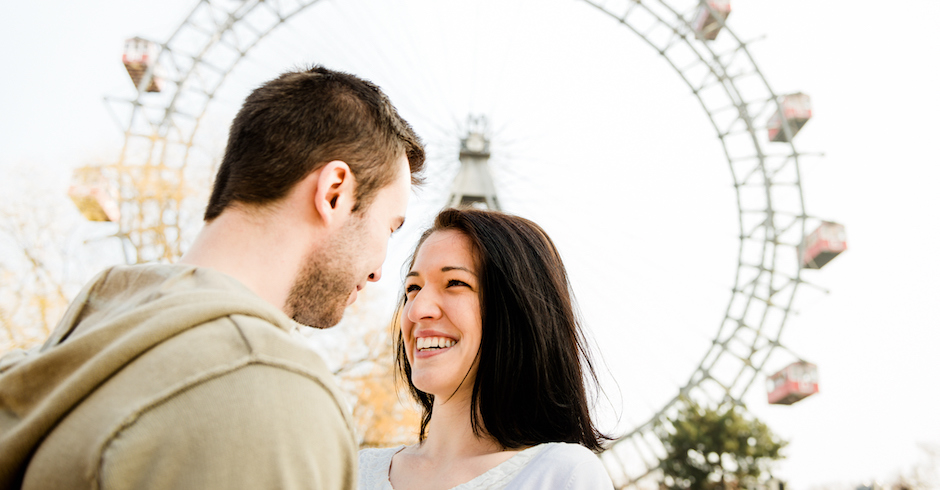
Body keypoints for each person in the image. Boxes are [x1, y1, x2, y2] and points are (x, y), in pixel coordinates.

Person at [0, 66, 425, 490]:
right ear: (334, 192)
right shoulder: (273, 396)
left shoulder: (59, 356)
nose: (378, 271)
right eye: (389, 227)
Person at [358, 208, 614, 489]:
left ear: (518, 311)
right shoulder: (354, 472)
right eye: (413, 288)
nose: (417, 310)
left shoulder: (564, 475)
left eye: (455, 283)